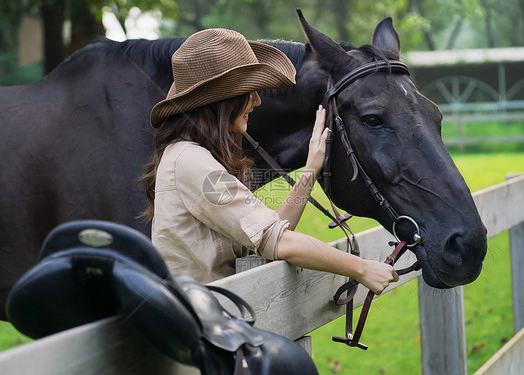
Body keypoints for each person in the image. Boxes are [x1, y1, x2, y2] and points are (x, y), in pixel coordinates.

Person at [141, 28, 398, 295]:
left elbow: (270, 233)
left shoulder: (189, 156)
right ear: (221, 100)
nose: (256, 100)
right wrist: (361, 268)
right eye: (248, 91)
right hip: (204, 327)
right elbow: (280, 242)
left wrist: (310, 170)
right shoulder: (190, 160)